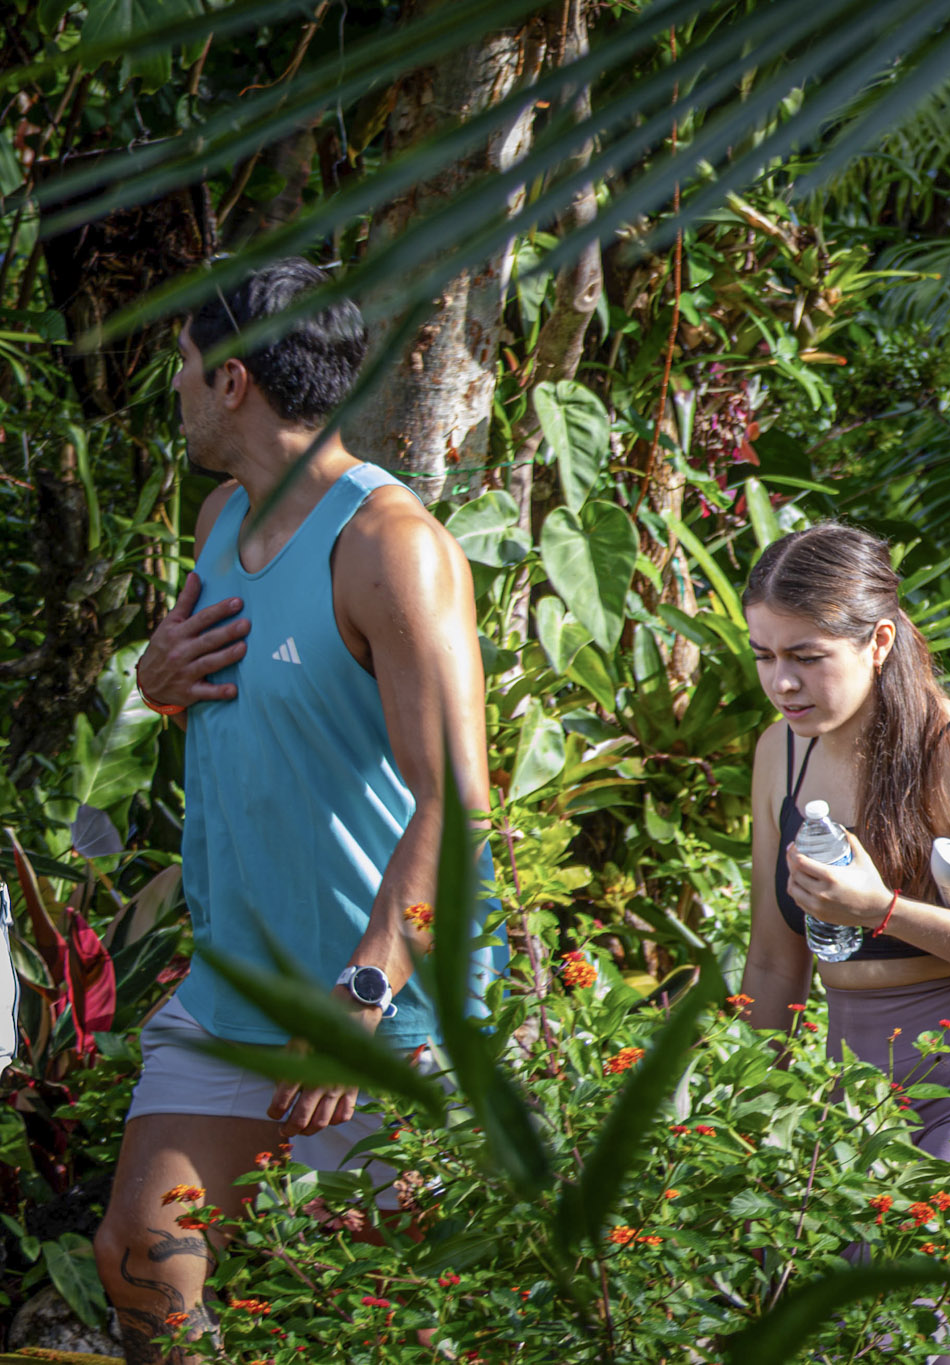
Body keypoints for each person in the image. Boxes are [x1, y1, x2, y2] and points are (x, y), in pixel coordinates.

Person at [94, 259, 500, 1364]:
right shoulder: (223, 517)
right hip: (240, 977)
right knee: (139, 1255)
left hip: (380, 997)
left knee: (394, 1310)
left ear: (231, 382)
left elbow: (455, 803)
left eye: (180, 369)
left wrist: (363, 1000)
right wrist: (155, 680)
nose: (171, 389)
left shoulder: (391, 548)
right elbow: (223, 719)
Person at [737, 522, 950, 1203]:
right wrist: (749, 1116)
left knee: (914, 1296)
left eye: (808, 656)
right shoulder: (778, 751)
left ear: (879, 641)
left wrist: (882, 909)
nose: (782, 680)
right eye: (764, 655)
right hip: (860, 1108)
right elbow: (776, 962)